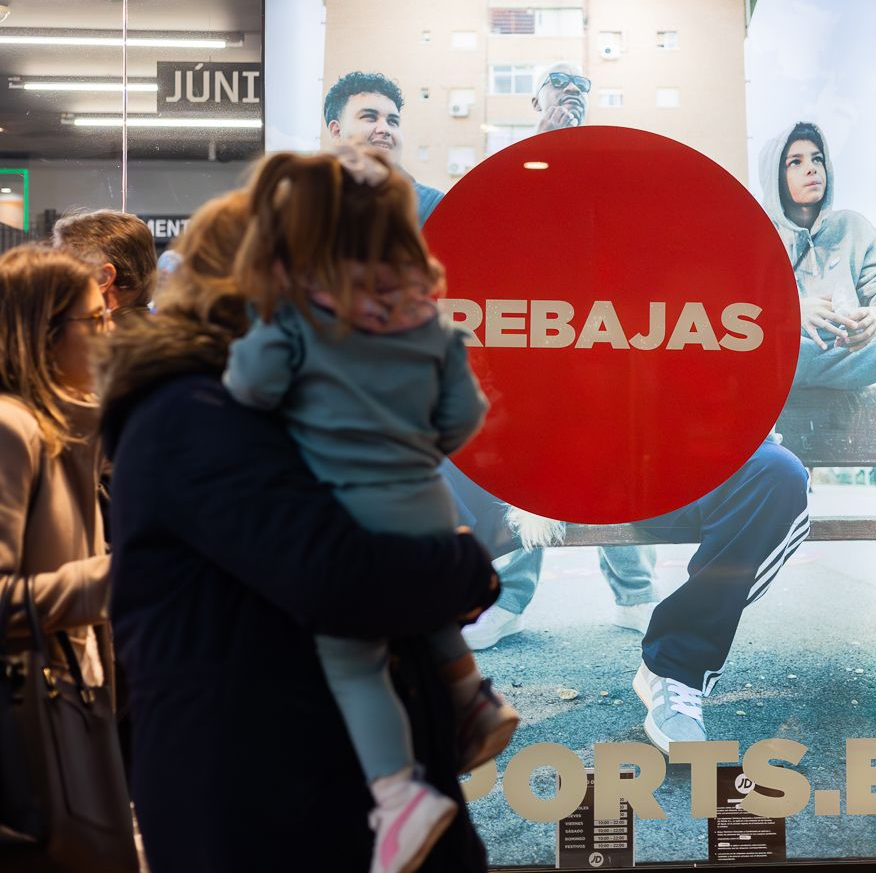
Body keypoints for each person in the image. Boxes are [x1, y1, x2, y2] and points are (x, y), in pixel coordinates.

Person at [101, 187, 499, 873]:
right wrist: (464, 567)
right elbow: (339, 577)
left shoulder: (260, 400)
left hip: (322, 791)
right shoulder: (195, 413)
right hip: (273, 806)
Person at [222, 147, 516, 873]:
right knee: (427, 603)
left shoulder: (299, 313)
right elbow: (464, 415)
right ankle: (473, 696)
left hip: (351, 506)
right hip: (425, 495)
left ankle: (397, 794)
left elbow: (250, 388)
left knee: (351, 656)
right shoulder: (427, 319)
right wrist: (417, 444)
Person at [440, 61, 660, 649]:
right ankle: (509, 596)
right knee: (522, 459)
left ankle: (635, 592)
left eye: (582, 88)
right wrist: (547, 143)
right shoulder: (517, 162)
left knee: (610, 452)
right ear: (536, 100)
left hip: (600, 337)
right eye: (560, 87)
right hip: (533, 341)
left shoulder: (603, 165)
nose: (573, 96)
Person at [757, 121, 876, 513]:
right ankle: (762, 473)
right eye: (795, 162)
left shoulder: (853, 227)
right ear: (776, 174)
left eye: (818, 159)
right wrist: (790, 311)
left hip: (841, 355)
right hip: (776, 363)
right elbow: (732, 315)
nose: (812, 169)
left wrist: (874, 318)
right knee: (745, 343)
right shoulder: (755, 229)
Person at [0, 244, 113, 690]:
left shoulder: (73, 428)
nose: (111, 332)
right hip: (34, 706)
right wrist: (115, 579)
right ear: (42, 332)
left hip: (69, 694)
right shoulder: (13, 429)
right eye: (95, 320)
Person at [324, 70, 445, 222]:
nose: (385, 129)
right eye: (369, 117)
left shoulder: (434, 207)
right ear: (336, 131)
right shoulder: (307, 203)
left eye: (392, 121)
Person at [52, 208, 158, 321]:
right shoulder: (161, 331)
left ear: (103, 277)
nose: (55, 281)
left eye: (64, 270)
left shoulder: (89, 336)